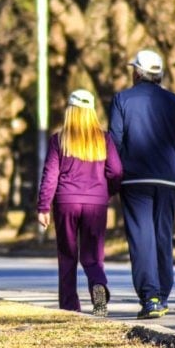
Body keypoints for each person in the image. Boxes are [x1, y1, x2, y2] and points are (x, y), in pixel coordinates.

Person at [108, 49, 175, 319]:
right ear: (159, 74)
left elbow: (114, 142)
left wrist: (111, 178)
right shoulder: (174, 102)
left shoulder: (122, 99)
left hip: (135, 179)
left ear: (137, 72)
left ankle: (151, 297)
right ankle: (162, 295)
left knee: (141, 238)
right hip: (168, 179)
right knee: (163, 236)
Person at [37, 89, 123, 317]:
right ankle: (98, 284)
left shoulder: (59, 140)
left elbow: (50, 176)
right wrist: (107, 193)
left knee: (67, 254)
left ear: (70, 111)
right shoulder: (104, 139)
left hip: (66, 202)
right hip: (96, 203)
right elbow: (116, 170)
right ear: (92, 111)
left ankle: (69, 306)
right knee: (93, 254)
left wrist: (43, 206)